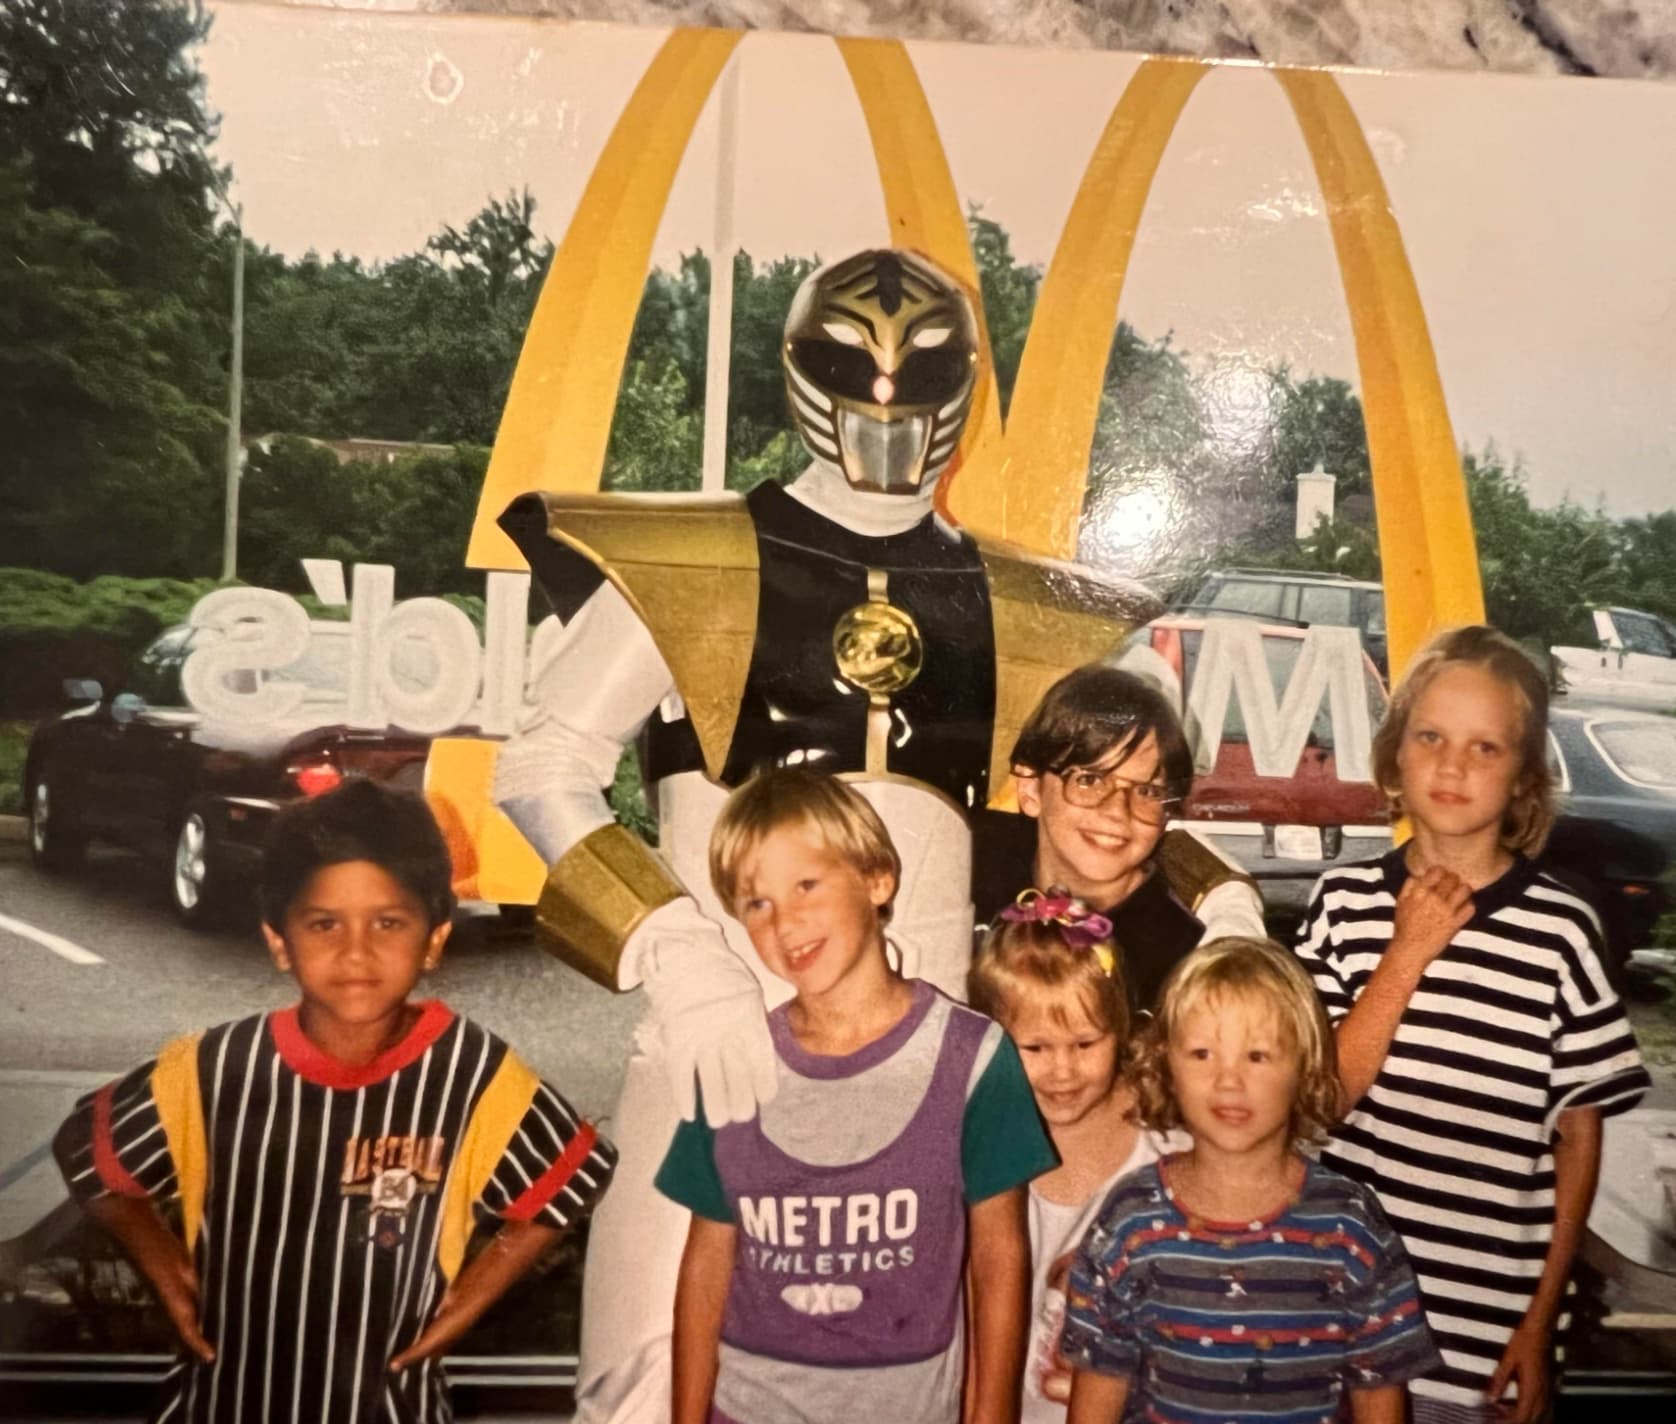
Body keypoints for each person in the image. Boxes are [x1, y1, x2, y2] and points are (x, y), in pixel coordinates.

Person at [492, 247, 1156, 1421]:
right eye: (858, 373)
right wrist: (679, 957)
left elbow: (1117, 806)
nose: (889, 410)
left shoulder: (1027, 601)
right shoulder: (688, 561)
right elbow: (542, 766)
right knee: (649, 1384)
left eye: (920, 380)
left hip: (927, 1080)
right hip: (717, 1053)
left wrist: (1231, 906)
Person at [52, 780, 618, 1422]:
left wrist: (462, 1308)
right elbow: (86, 1149)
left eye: (388, 922)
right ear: (279, 941)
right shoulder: (214, 1067)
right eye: (324, 923)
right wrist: (165, 1269)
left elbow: (570, 1179)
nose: (356, 951)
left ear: (433, 940)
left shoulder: (474, 1072)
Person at [1293, 624, 1650, 1424]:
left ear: (1525, 777)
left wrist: (1543, 1319)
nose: (1453, 765)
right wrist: (1407, 953)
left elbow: (1578, 1137)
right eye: (1431, 737)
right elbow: (1320, 1102)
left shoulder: (1561, 930)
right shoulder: (1344, 906)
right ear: (1394, 755)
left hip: (1485, 1340)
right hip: (1335, 1327)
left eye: (1486, 748)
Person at [653, 768, 1055, 1424]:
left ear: (877, 878)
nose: (786, 922)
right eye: (757, 903)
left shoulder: (973, 1059)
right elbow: (706, 1261)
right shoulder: (735, 1060)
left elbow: (999, 1260)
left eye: (806, 885)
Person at [1061, 938, 1441, 1424]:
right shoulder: (1132, 1217)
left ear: (1304, 1065)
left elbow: (1380, 1395)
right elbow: (1097, 1390)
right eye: (1201, 1053)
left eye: (1257, 1056)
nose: (1228, 1080)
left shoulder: (1349, 1223)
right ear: (1166, 1064)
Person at [968, 889, 1185, 1424]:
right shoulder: (971, 1147)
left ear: (1122, 1027)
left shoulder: (1170, 1147)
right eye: (1035, 1048)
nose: (1063, 1071)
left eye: (1086, 1043)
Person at [972, 664, 1265, 1014]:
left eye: (1146, 790)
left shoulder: (1185, 948)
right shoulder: (970, 857)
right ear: (1030, 789)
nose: (1118, 811)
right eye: (1090, 780)